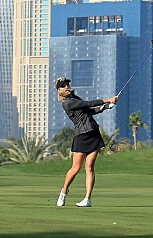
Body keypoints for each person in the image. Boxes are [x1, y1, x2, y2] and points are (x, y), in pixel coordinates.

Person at [54, 77, 117, 207]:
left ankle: (87, 199)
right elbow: (89, 104)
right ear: (59, 90)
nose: (67, 86)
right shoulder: (67, 103)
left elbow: (89, 111)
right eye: (64, 85)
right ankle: (64, 192)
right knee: (76, 168)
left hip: (94, 133)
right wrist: (107, 99)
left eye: (67, 84)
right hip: (81, 136)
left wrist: (105, 107)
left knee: (89, 167)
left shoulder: (76, 99)